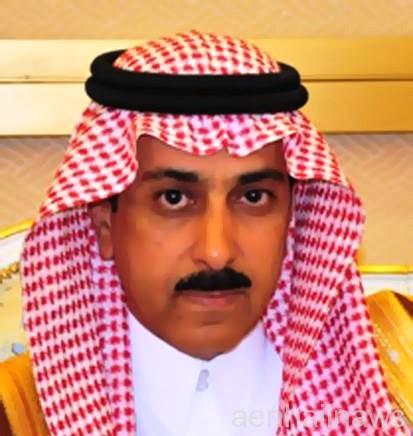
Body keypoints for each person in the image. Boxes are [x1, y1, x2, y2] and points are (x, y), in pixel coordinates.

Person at [0, 30, 410, 435]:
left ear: (293, 219)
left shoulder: (399, 383)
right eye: (174, 199)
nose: (216, 252)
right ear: (105, 224)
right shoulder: (16, 415)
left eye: (253, 197)